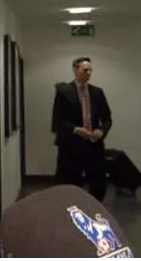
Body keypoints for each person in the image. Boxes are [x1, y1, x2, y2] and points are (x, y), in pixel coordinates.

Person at [52, 57, 112, 202]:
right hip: (71, 145)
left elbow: (107, 118)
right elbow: (57, 121)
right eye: (85, 70)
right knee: (70, 184)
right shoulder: (64, 92)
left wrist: (101, 130)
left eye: (90, 70)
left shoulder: (97, 92)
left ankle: (94, 209)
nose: (89, 73)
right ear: (75, 70)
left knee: (99, 183)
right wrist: (76, 129)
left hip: (93, 144)